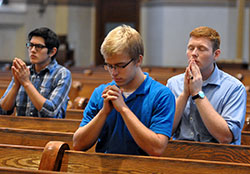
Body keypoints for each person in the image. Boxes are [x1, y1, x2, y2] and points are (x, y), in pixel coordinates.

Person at [73, 25, 175, 156]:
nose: (113, 73)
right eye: (109, 66)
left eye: (120, 66)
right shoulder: (100, 93)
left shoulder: (161, 95)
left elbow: (156, 149)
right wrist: (103, 113)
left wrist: (123, 109)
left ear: (138, 60)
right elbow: (78, 144)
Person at [166, 26, 246, 145]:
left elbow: (225, 138)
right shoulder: (173, 83)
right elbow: (165, 131)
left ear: (216, 54)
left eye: (202, 49)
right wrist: (184, 95)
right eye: (190, 48)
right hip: (180, 155)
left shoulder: (234, 88)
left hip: (217, 157)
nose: (194, 54)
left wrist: (198, 94)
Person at [0, 27, 72, 118]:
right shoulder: (23, 72)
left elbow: (50, 111)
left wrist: (26, 83)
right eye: (31, 45)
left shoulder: (62, 74)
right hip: (20, 130)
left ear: (52, 52)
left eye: (39, 47)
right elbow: (3, 110)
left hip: (48, 130)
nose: (33, 50)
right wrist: (16, 84)